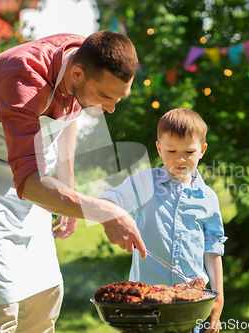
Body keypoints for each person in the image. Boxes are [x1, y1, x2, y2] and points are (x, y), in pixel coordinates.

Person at [0, 30, 147, 333]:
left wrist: (68, 191)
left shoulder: (86, 59)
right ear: (76, 73)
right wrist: (104, 212)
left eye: (119, 97)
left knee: (46, 297)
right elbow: (31, 185)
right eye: (105, 96)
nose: (111, 108)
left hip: (33, 173)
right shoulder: (23, 77)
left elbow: (71, 112)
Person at [96, 108, 227, 333]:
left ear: (202, 150)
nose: (180, 158)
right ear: (159, 148)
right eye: (171, 150)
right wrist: (95, 209)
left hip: (191, 304)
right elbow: (110, 199)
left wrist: (218, 298)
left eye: (189, 151)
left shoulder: (208, 198)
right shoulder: (144, 183)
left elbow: (213, 249)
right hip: (145, 303)